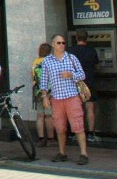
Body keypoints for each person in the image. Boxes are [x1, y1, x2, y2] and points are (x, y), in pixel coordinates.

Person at [40, 33, 89, 166]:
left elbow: (82, 74)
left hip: (72, 96)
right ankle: (62, 153)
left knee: (78, 126)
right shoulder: (47, 61)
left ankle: (83, 154)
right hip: (56, 98)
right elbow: (44, 81)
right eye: (59, 43)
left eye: (63, 43)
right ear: (53, 44)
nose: (62, 45)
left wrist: (71, 74)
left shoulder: (71, 58)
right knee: (60, 127)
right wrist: (45, 97)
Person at [68, 29, 100, 142]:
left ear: (76, 38)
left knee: (76, 109)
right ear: (87, 38)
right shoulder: (91, 50)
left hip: (74, 83)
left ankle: (74, 133)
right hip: (89, 81)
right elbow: (97, 66)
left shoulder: (70, 51)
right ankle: (91, 133)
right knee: (90, 108)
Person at [31, 42, 56, 147]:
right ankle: (51, 139)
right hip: (49, 91)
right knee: (49, 116)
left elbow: (33, 78)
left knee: (40, 115)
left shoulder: (35, 62)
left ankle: (41, 138)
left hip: (37, 92)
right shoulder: (50, 61)